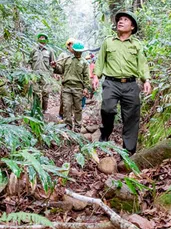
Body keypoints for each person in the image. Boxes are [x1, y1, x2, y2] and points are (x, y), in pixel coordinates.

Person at [92, 11, 151, 155]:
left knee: (131, 117)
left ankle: (128, 152)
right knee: (107, 109)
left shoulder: (136, 45)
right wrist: (96, 76)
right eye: (119, 19)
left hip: (131, 85)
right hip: (111, 83)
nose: (120, 21)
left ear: (132, 27)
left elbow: (142, 64)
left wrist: (146, 80)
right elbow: (100, 61)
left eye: (125, 20)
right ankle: (105, 132)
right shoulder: (108, 42)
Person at [51, 41, 90, 130]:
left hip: (78, 88)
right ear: (73, 50)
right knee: (66, 107)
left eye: (79, 51)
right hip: (67, 87)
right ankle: (67, 125)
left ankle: (77, 126)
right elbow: (60, 70)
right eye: (76, 50)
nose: (78, 52)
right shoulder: (67, 59)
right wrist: (55, 66)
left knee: (78, 108)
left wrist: (86, 88)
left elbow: (86, 77)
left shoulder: (84, 63)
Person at [29, 33, 55, 112]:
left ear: (46, 40)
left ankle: (44, 109)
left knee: (46, 92)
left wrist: (51, 74)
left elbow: (53, 64)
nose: (42, 39)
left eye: (43, 38)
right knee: (35, 91)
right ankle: (36, 109)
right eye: (40, 37)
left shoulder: (50, 51)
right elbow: (29, 61)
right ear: (38, 39)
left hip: (46, 75)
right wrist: (30, 71)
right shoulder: (34, 50)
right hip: (35, 74)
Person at [57, 38, 75, 120]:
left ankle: (69, 116)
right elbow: (59, 66)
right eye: (71, 44)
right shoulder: (63, 55)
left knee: (73, 99)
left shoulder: (76, 54)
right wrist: (57, 74)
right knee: (64, 98)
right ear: (68, 45)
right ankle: (61, 114)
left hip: (75, 81)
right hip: (66, 80)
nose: (73, 46)